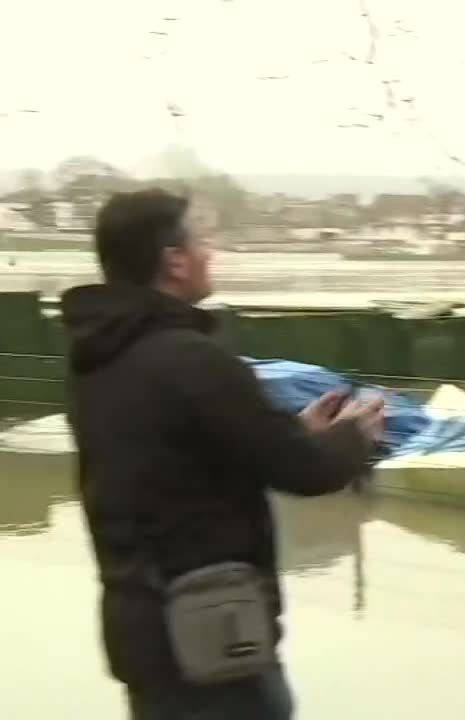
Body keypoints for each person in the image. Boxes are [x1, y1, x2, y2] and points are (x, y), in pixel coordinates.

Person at [61, 188, 385, 719]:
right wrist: (353, 436)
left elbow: (182, 460)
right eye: (203, 239)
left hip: (139, 625)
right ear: (175, 261)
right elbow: (301, 471)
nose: (212, 251)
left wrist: (297, 432)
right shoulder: (195, 359)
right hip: (214, 633)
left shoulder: (95, 360)